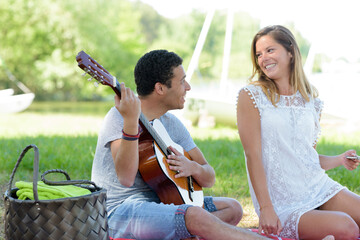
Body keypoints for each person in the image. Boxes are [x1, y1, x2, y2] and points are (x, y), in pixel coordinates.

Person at [92, 49, 268, 240]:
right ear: (160, 88)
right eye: (182, 81)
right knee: (194, 216)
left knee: (232, 208)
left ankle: (186, 231)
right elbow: (126, 178)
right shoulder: (119, 116)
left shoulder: (172, 124)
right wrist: (131, 122)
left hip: (165, 204)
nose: (189, 87)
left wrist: (192, 167)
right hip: (120, 211)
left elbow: (209, 178)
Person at [236, 25, 360, 240]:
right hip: (281, 202)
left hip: (317, 187)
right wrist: (266, 208)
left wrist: (339, 160)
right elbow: (252, 155)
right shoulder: (251, 96)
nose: (263, 58)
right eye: (258, 54)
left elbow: (305, 158)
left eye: (270, 50)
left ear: (290, 52)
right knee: (346, 228)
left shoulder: (312, 101)